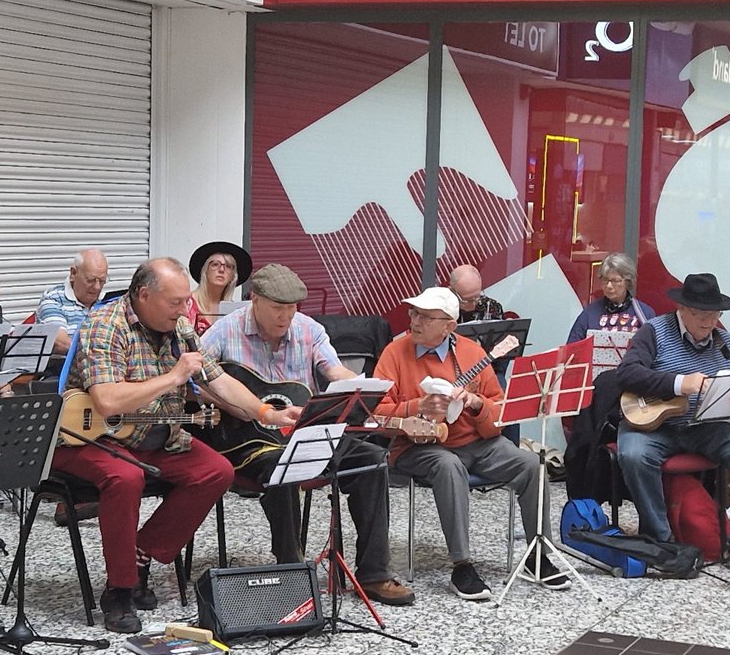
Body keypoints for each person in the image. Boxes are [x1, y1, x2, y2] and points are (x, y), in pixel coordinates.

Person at [52, 257, 299, 633]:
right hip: (92, 437)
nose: (185, 310)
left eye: (186, 300)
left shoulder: (180, 327)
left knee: (216, 471)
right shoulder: (105, 326)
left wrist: (265, 411)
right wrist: (174, 377)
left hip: (155, 434)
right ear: (144, 295)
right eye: (175, 302)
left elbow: (218, 381)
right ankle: (118, 591)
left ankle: (139, 555)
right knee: (125, 478)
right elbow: (107, 401)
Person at [200, 265, 413, 606]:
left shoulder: (308, 329)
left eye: (292, 308)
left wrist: (356, 386)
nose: (286, 316)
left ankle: (374, 573)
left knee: (372, 461)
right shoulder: (224, 332)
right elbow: (193, 382)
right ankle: (291, 571)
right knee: (285, 470)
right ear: (254, 299)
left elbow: (333, 369)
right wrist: (241, 405)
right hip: (249, 440)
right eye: (277, 308)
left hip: (305, 434)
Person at [374, 287, 569, 600]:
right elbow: (377, 414)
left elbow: (500, 415)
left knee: (532, 465)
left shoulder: (472, 354)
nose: (415, 321)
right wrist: (418, 406)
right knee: (449, 465)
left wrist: (477, 404)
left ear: (449, 326)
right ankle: (462, 563)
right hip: (418, 447)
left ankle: (538, 555)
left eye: (425, 316)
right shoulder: (394, 353)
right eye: (414, 313)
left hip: (477, 444)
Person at [616, 273, 730, 579]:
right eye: (701, 315)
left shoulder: (726, 343)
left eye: (714, 315)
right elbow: (626, 374)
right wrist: (679, 383)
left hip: (706, 426)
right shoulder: (654, 331)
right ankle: (660, 541)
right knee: (634, 455)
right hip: (654, 425)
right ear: (682, 310)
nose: (709, 322)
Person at [567, 252, 656, 343]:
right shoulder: (589, 314)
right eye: (605, 280)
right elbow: (572, 349)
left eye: (615, 281)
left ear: (628, 281)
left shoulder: (644, 313)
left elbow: (654, 350)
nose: (609, 286)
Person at [37, 248, 109, 356]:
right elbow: (60, 343)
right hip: (63, 370)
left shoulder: (107, 302)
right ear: (74, 273)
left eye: (102, 281)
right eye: (90, 280)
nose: (97, 287)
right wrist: (97, 355)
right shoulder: (53, 299)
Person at [185, 241, 253, 335]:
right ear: (205, 271)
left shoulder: (234, 311)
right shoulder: (186, 303)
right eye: (215, 264)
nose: (221, 270)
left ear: (233, 276)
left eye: (228, 266)